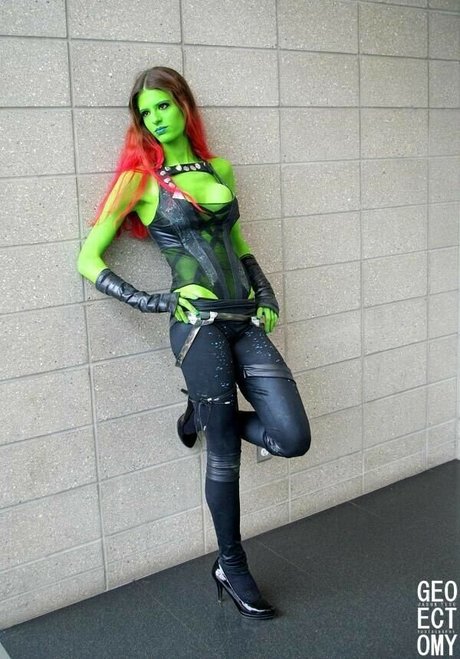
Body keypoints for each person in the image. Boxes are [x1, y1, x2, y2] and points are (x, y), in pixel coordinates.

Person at [77, 66, 311, 620]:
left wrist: (266, 293)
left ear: (183, 105)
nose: (156, 119)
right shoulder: (139, 181)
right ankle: (231, 565)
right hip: (198, 325)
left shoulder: (219, 169)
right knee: (224, 451)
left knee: (292, 437)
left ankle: (201, 414)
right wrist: (154, 301)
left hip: (244, 319)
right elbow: (87, 259)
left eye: (163, 105)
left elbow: (238, 242)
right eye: (146, 112)